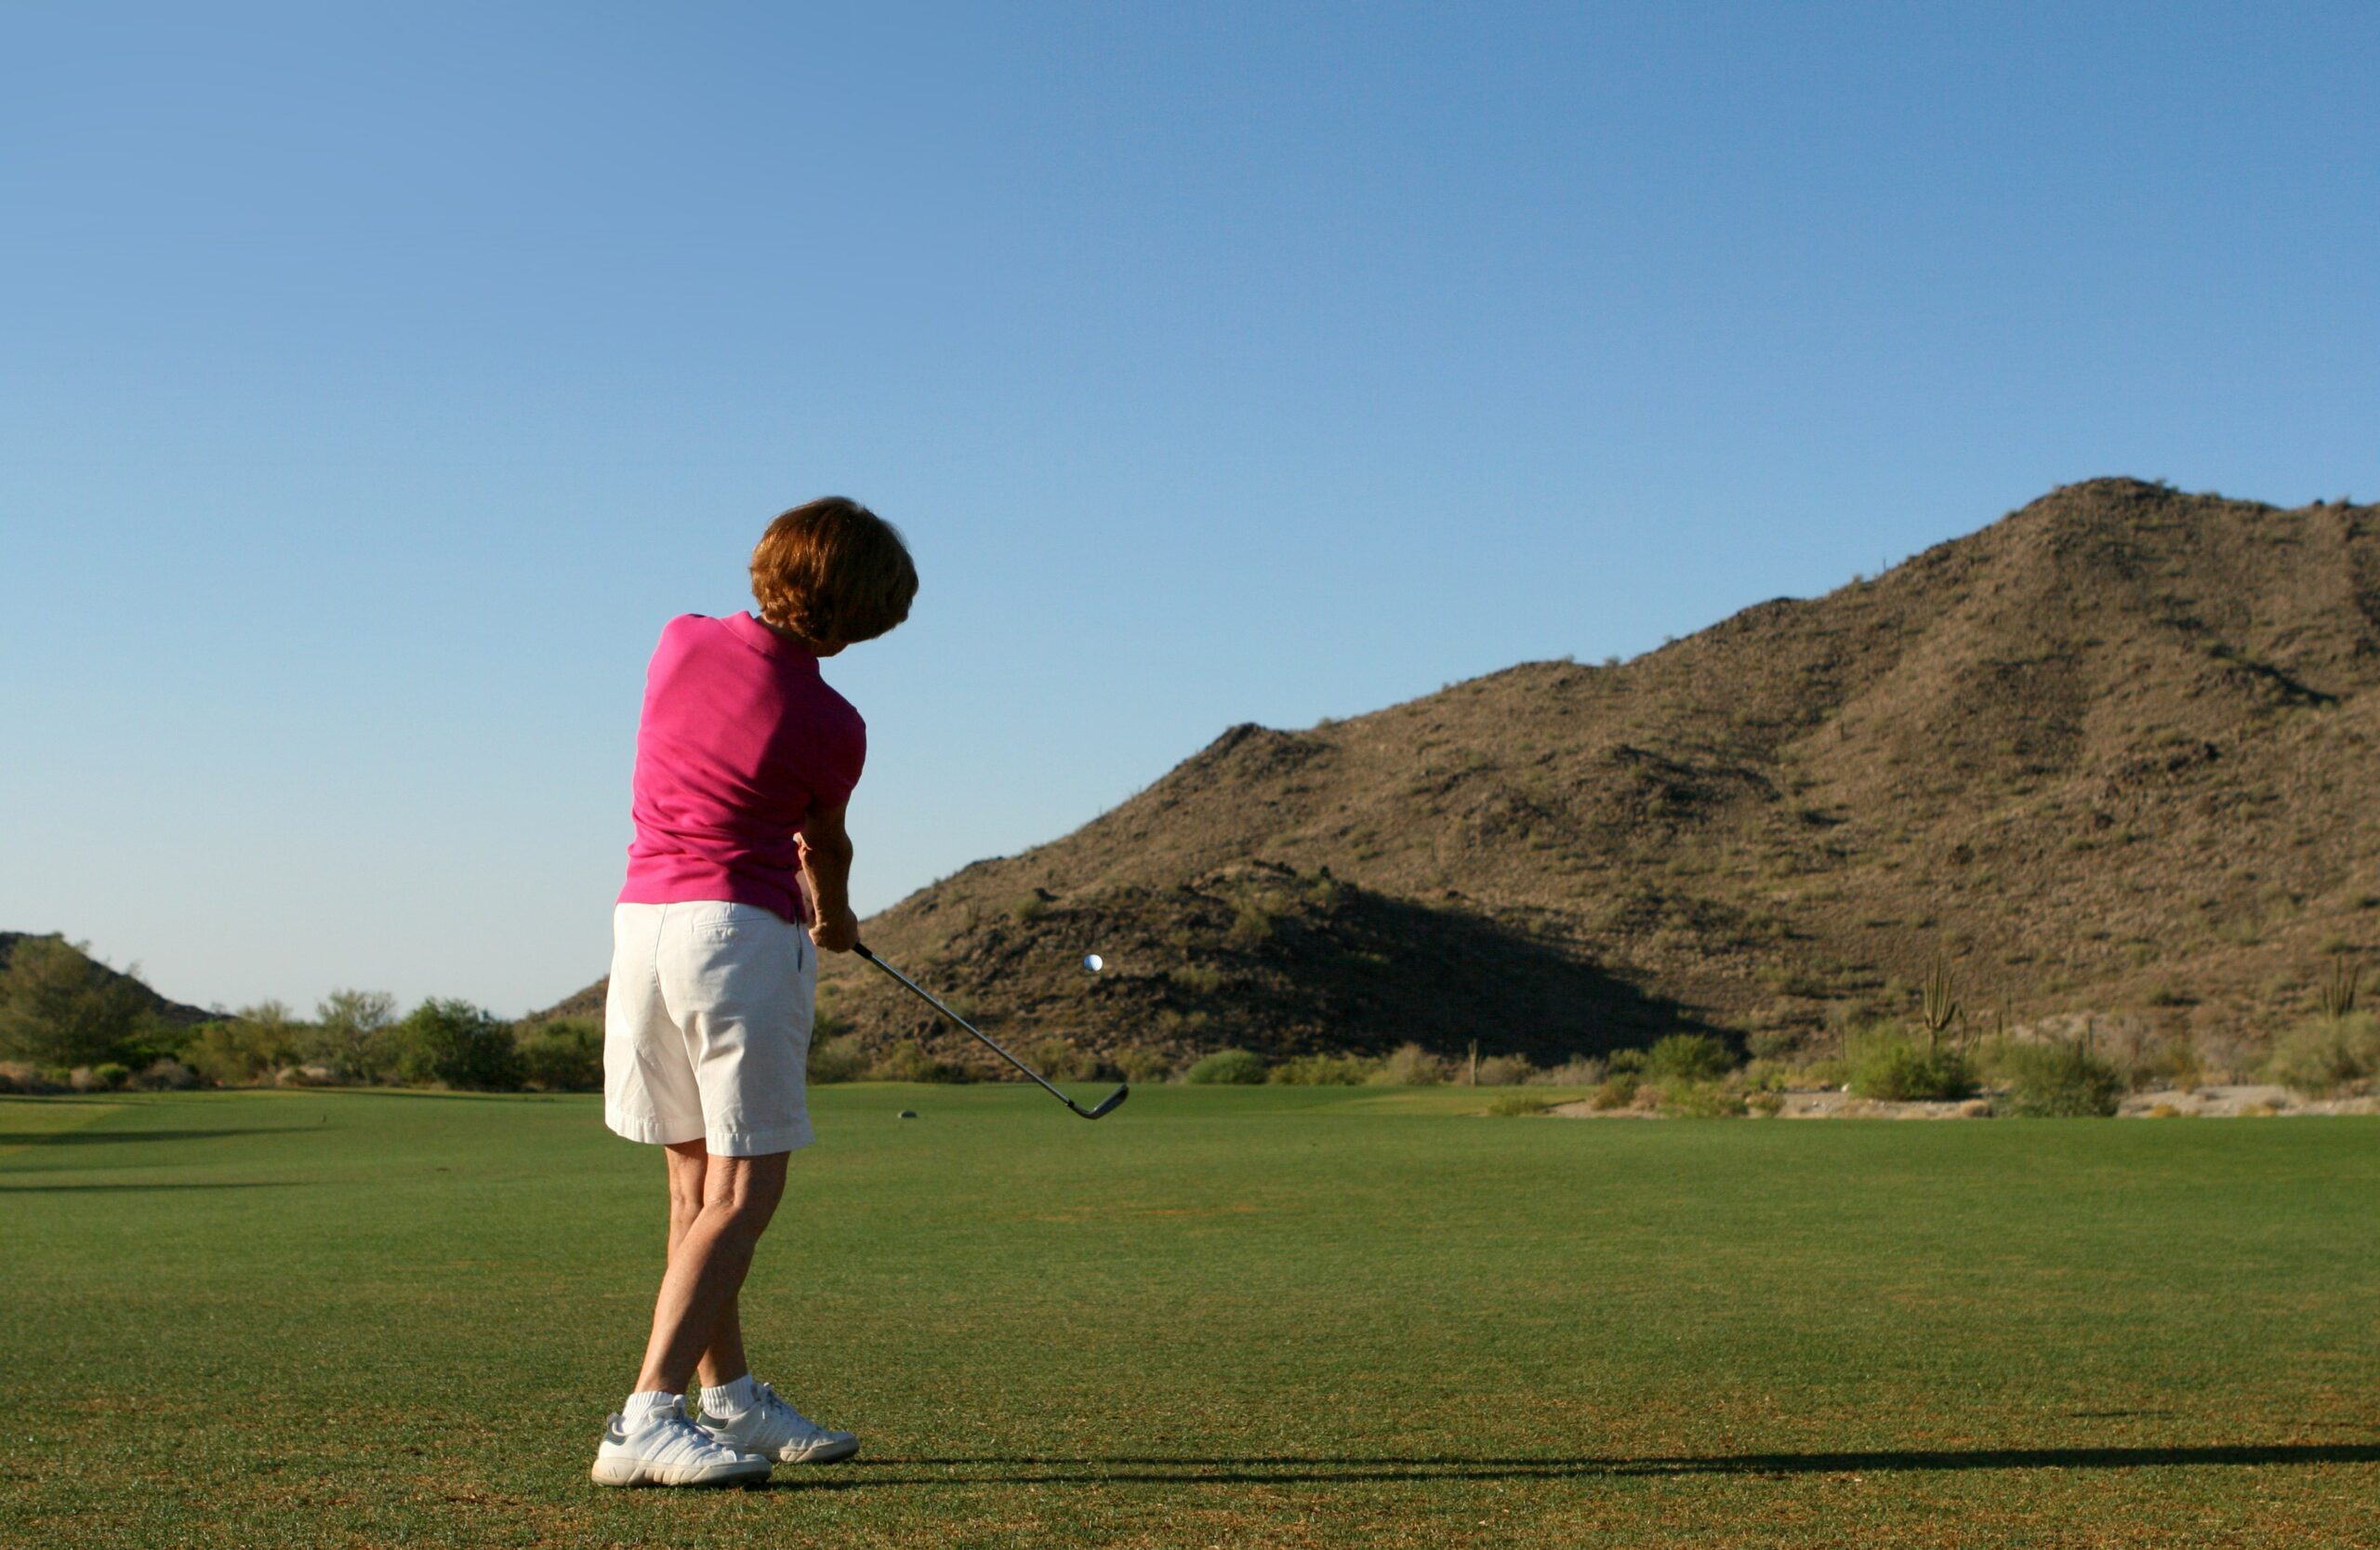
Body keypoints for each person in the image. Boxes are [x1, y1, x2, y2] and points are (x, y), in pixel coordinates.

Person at [590, 497, 918, 1488]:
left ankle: (726, 1397)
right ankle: (643, 1415)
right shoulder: (833, 720)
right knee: (744, 1187)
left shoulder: (677, 639)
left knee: (695, 1187)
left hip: (641, 926)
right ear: (855, 612)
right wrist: (838, 914)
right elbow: (823, 838)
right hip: (735, 935)